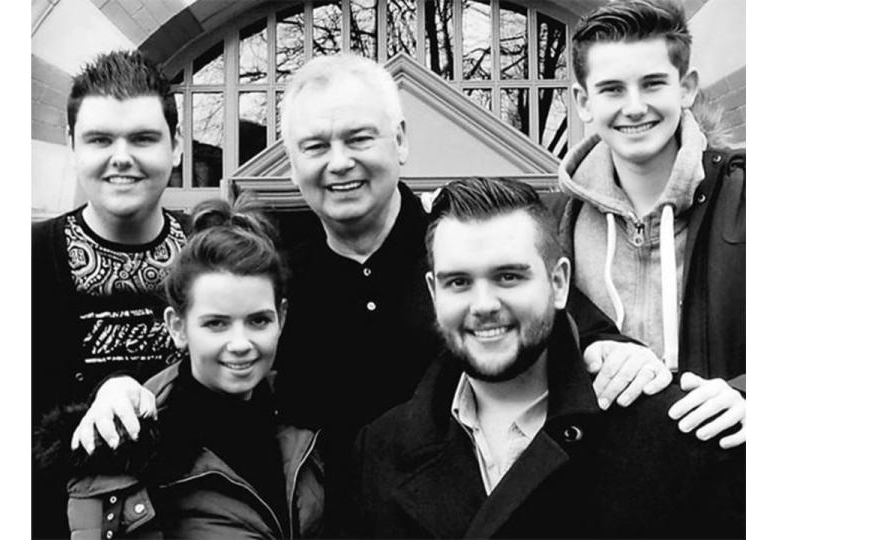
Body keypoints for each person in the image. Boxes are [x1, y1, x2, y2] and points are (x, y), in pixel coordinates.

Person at [67, 54, 670, 530]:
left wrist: (618, 349)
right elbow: (210, 369)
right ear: (291, 161)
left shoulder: (460, 252)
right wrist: (127, 390)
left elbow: (562, 322)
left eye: (359, 138)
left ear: (400, 140)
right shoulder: (278, 275)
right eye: (315, 146)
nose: (339, 163)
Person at [348, 177, 744, 538]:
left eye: (509, 277)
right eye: (459, 282)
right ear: (434, 294)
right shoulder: (379, 453)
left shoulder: (675, 436)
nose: (483, 304)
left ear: (559, 283)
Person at [39, 197, 324, 539]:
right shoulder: (132, 447)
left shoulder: (307, 416)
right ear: (177, 327)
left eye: (258, 320)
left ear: (282, 317)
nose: (240, 343)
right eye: (216, 324)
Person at [552, 0, 746, 448]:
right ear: (583, 102)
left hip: (727, 480)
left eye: (653, 83)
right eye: (612, 89)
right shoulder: (555, 224)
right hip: (602, 484)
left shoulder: (749, 197)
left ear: (687, 88)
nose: (634, 107)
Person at [32, 50, 189, 537]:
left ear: (177, 145)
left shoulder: (212, 259)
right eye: (101, 139)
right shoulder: (21, 265)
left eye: (143, 138)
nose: (122, 156)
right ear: (72, 144)